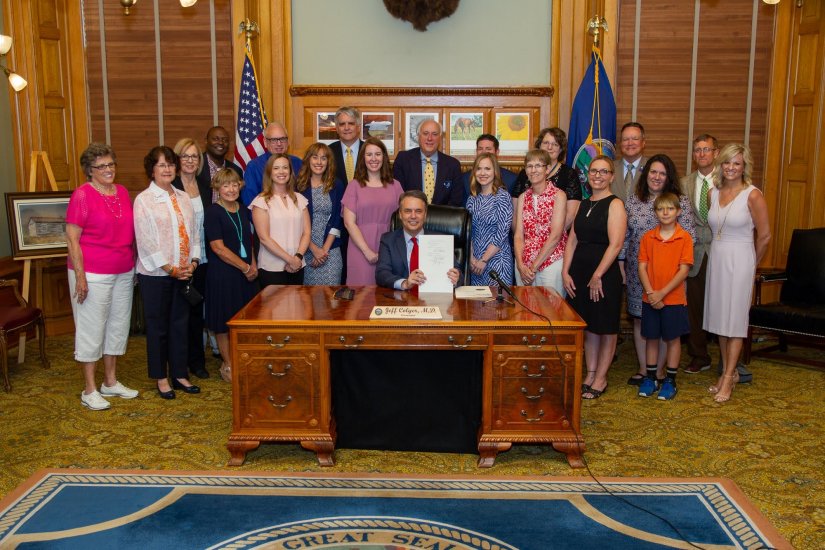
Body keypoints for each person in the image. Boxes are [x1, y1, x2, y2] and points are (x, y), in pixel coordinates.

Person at [66, 143, 138, 410]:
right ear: (89, 170)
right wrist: (81, 277)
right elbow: (72, 239)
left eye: (111, 164)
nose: (108, 170)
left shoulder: (121, 191)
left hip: (122, 269)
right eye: (102, 166)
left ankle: (110, 382)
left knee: (117, 327)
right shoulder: (82, 195)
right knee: (91, 329)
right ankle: (89, 389)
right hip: (92, 273)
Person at [621, 154, 695, 386]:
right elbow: (625, 235)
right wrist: (621, 263)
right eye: (653, 172)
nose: (657, 177)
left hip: (669, 275)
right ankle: (645, 370)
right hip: (638, 272)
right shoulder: (634, 200)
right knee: (641, 321)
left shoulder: (679, 201)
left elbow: (690, 236)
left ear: (669, 177)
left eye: (662, 173)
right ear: (646, 174)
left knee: (665, 323)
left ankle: (661, 371)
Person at [134, 145, 202, 399]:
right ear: (151, 170)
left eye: (171, 164)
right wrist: (170, 268)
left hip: (184, 272)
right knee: (159, 326)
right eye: (161, 165)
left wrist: (193, 263)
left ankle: (179, 373)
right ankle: (161, 377)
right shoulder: (144, 200)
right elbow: (146, 241)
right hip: (157, 275)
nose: (167, 169)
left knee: (179, 325)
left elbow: (194, 232)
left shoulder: (183, 197)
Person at [704, 143, 771, 403]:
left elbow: (765, 236)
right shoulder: (712, 193)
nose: (731, 167)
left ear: (745, 167)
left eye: (737, 163)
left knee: (735, 322)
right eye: (727, 162)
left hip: (741, 259)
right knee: (721, 320)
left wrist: (751, 266)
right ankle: (724, 373)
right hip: (718, 258)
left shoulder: (753, 195)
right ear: (720, 165)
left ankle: (730, 376)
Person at [562, 156, 627, 399]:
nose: (597, 175)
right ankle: (590, 373)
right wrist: (565, 270)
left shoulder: (615, 204)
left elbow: (617, 243)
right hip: (579, 272)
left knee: (606, 326)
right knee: (588, 326)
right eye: (593, 171)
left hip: (603, 273)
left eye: (603, 172)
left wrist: (598, 274)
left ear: (611, 176)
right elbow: (572, 240)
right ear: (587, 175)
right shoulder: (583, 203)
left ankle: (601, 377)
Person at [636, 192, 694, 400]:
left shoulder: (684, 237)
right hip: (650, 297)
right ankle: (651, 377)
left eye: (670, 208)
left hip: (674, 299)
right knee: (651, 338)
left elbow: (684, 270)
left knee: (672, 339)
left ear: (678, 211)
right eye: (661, 209)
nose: (665, 212)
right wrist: (652, 293)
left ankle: (670, 380)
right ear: (655, 213)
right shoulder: (647, 237)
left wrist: (662, 293)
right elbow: (642, 267)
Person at [204, 168, 258, 383]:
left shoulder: (244, 210)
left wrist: (252, 266)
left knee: (243, 322)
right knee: (224, 323)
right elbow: (218, 248)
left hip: (246, 276)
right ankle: (228, 363)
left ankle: (242, 360)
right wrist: (244, 268)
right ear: (217, 188)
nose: (231, 189)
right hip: (223, 275)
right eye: (225, 185)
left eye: (234, 184)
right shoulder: (213, 212)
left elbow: (249, 242)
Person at [341, 137, 404, 285]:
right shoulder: (354, 186)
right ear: (363, 158)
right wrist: (367, 251)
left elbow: (405, 219)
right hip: (360, 248)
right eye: (369, 154)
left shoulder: (396, 185)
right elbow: (349, 223)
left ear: (384, 157)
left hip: (390, 247)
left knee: (388, 294)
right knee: (361, 298)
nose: (373, 159)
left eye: (378, 154)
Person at [172, 137, 209, 379]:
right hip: (179, 260)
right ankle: (179, 361)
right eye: (185, 156)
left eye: (194, 156)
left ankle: (197, 361)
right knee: (179, 314)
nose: (190, 160)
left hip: (203, 258)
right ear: (177, 159)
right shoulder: (171, 185)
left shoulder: (205, 185)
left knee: (197, 311)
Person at [376, 190, 461, 290]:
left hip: (435, 300)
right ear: (400, 214)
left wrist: (456, 278)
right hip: (401, 300)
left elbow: (458, 273)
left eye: (418, 211)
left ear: (425, 215)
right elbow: (381, 274)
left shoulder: (441, 240)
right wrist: (405, 283)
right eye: (408, 211)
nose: (413, 216)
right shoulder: (388, 240)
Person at [250, 153, 311, 286]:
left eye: (285, 167)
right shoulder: (261, 201)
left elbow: (306, 232)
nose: (281, 171)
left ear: (290, 171)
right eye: (276, 168)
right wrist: (290, 260)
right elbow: (264, 238)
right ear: (269, 173)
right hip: (271, 268)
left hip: (298, 265)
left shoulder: (299, 199)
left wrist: (298, 258)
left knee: (296, 306)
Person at [514, 149, 568, 294]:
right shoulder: (523, 197)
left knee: (551, 311)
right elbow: (518, 235)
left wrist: (533, 267)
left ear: (548, 169)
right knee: (524, 312)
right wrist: (520, 265)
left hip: (550, 262)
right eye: (529, 166)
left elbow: (556, 236)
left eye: (538, 165)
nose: (533, 170)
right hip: (524, 265)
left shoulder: (559, 195)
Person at [511, 127, 582, 229]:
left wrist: (547, 238)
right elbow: (515, 213)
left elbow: (571, 215)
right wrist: (524, 238)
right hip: (526, 238)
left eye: (555, 144)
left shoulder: (569, 174)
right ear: (539, 145)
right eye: (546, 143)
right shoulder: (525, 173)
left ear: (561, 149)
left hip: (556, 238)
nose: (549, 147)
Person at [296, 142, 345, 284]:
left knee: (332, 300)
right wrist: (313, 249)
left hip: (330, 250)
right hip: (305, 250)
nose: (319, 162)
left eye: (323, 158)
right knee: (308, 301)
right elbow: (296, 222)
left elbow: (338, 219)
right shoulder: (298, 185)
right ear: (308, 160)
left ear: (328, 162)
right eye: (315, 157)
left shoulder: (336, 184)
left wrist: (323, 250)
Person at [466, 153, 514, 286]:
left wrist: (484, 260)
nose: (482, 173)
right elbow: (468, 231)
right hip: (475, 265)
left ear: (495, 172)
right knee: (475, 305)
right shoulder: (472, 199)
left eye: (487, 169)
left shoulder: (502, 196)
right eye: (479, 168)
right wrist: (471, 258)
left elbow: (502, 233)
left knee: (497, 305)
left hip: (497, 262)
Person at [392, 119, 464, 206]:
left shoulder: (453, 165)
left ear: (440, 138)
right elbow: (398, 195)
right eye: (425, 133)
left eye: (434, 134)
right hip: (411, 217)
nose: (430, 138)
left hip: (442, 218)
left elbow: (456, 201)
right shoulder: (403, 160)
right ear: (418, 136)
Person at [242, 122, 303, 205]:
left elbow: (305, 194)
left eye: (282, 139)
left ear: (288, 141)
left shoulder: (298, 163)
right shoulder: (254, 167)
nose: (279, 144)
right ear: (265, 142)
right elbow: (250, 203)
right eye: (274, 140)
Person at [462, 134, 518, 200]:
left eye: (488, 149)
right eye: (480, 149)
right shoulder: (464, 178)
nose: (484, 152)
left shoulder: (512, 179)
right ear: (476, 152)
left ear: (497, 152)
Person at [197, 126, 244, 204]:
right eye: (216, 139)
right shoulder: (196, 166)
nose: (221, 142)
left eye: (225, 140)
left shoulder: (236, 170)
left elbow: (238, 202)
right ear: (206, 141)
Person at [612, 122, 647, 202]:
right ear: (621, 143)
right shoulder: (609, 168)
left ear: (643, 143)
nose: (630, 143)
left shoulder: (652, 167)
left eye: (635, 139)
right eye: (625, 139)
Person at [328, 106, 363, 186]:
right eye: (342, 124)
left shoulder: (369, 150)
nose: (346, 128)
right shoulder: (328, 151)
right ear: (337, 128)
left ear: (358, 127)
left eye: (351, 123)